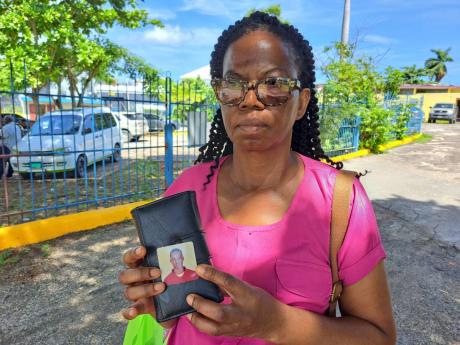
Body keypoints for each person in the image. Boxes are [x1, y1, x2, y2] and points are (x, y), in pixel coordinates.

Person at [119, 12, 396, 345]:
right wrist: (159, 304)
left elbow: (379, 337)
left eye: (274, 84)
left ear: (301, 103)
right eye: (234, 84)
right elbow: (180, 316)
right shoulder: (188, 188)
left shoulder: (340, 200)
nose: (250, 100)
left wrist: (276, 324)